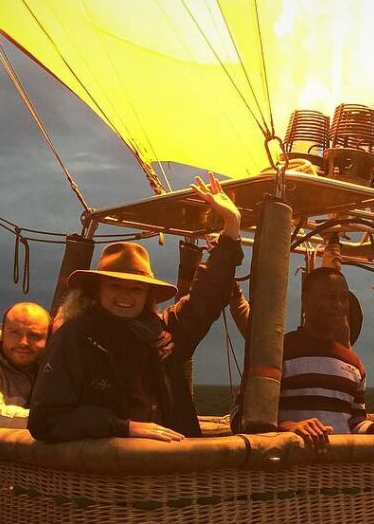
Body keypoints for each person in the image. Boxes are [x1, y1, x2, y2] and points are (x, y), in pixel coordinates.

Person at [28, 175, 242, 443]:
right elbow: (45, 419)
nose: (125, 296)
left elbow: (206, 299)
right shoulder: (74, 338)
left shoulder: (162, 334)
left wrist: (231, 227)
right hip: (110, 477)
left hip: (172, 472)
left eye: (136, 288)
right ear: (97, 289)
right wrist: (122, 427)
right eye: (116, 285)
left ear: (148, 295)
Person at [234, 267, 374, 453]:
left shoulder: (354, 364)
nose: (338, 305)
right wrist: (289, 428)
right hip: (286, 476)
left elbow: (355, 425)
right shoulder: (277, 353)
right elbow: (240, 418)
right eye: (328, 296)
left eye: (343, 299)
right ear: (305, 300)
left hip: (336, 476)